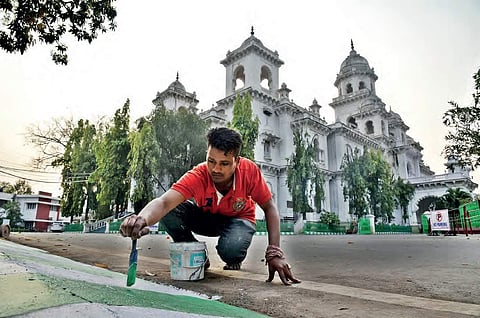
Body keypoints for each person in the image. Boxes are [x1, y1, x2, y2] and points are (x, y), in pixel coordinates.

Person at [120, 127, 300, 285]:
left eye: (224, 163)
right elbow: (164, 202)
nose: (216, 169)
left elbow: (269, 207)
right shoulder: (199, 174)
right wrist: (141, 219)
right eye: (211, 161)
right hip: (208, 217)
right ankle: (197, 254)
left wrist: (274, 252)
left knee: (231, 252)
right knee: (170, 211)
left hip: (239, 219)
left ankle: (233, 254)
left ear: (237, 161)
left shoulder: (250, 171)